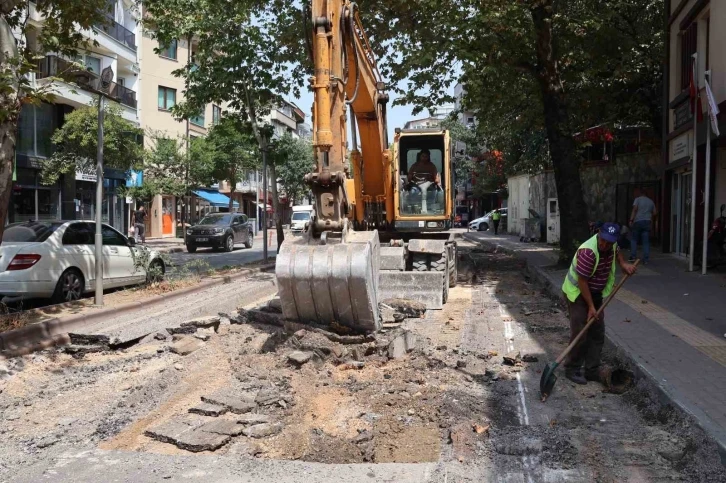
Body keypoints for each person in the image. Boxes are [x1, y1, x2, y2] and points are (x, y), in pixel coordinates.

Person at [561, 223, 637, 385]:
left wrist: (623, 265)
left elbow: (616, 251)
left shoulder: (612, 244)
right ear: (598, 233)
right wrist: (590, 307)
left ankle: (592, 369)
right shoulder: (589, 252)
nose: (605, 245)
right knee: (581, 331)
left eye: (609, 242)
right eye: (603, 241)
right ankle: (572, 368)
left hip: (595, 294)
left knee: (597, 332)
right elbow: (582, 281)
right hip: (578, 294)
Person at [629, 188, 656, 264]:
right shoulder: (651, 201)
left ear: (640, 193)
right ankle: (646, 259)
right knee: (646, 242)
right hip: (647, 222)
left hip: (638, 221)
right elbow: (654, 212)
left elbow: (634, 209)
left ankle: (633, 256)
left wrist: (631, 220)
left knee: (634, 239)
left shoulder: (637, 200)